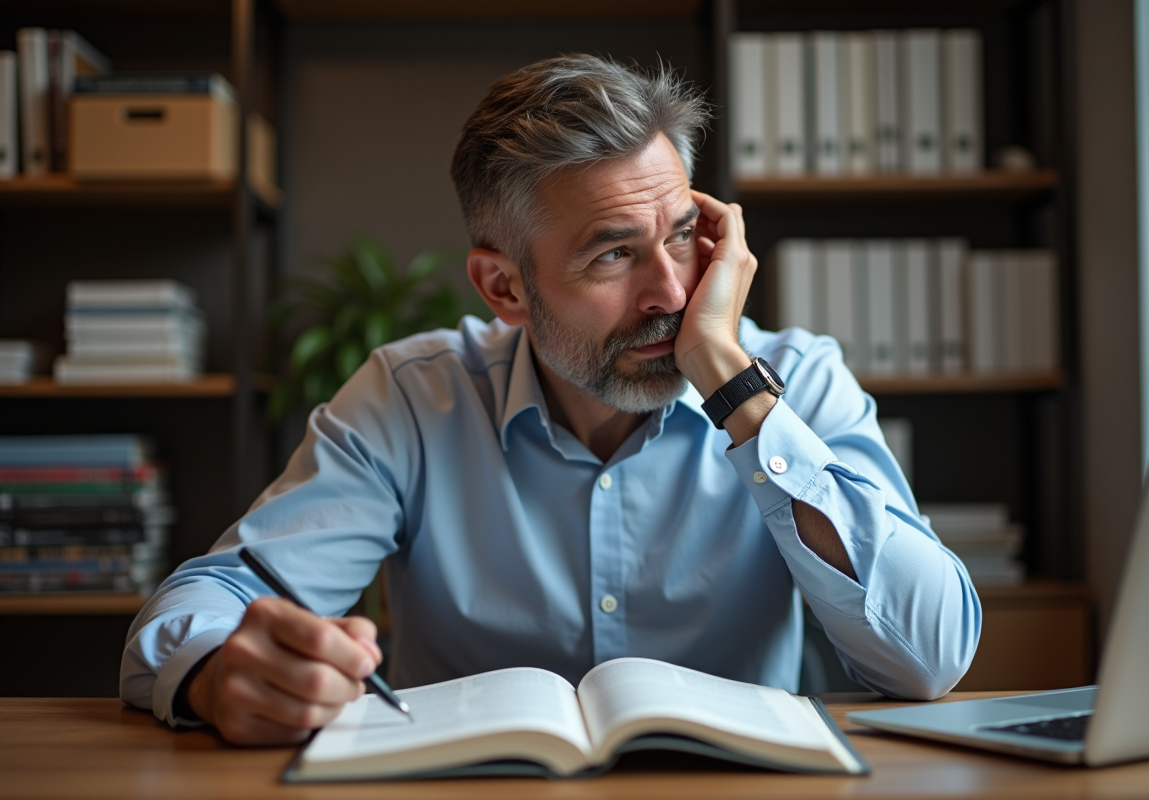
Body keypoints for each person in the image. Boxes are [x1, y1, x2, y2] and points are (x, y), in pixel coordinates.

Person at [120, 54, 981, 745]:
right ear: (504, 287)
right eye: (613, 255)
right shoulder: (413, 398)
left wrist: (735, 386)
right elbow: (199, 608)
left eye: (683, 235)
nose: (674, 294)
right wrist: (217, 671)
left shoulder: (793, 380)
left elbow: (930, 661)